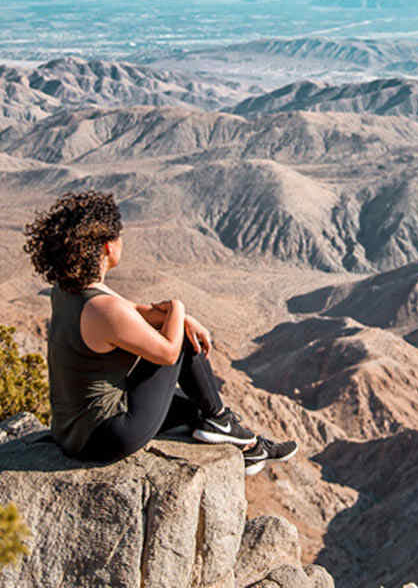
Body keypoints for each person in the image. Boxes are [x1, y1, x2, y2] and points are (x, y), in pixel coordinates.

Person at [23, 190, 296, 475]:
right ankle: (221, 420)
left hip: (72, 431)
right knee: (181, 344)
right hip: (105, 437)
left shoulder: (69, 291)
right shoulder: (103, 310)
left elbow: (135, 311)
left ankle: (248, 447)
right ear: (107, 247)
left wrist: (181, 317)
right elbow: (167, 353)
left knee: (194, 409)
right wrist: (178, 308)